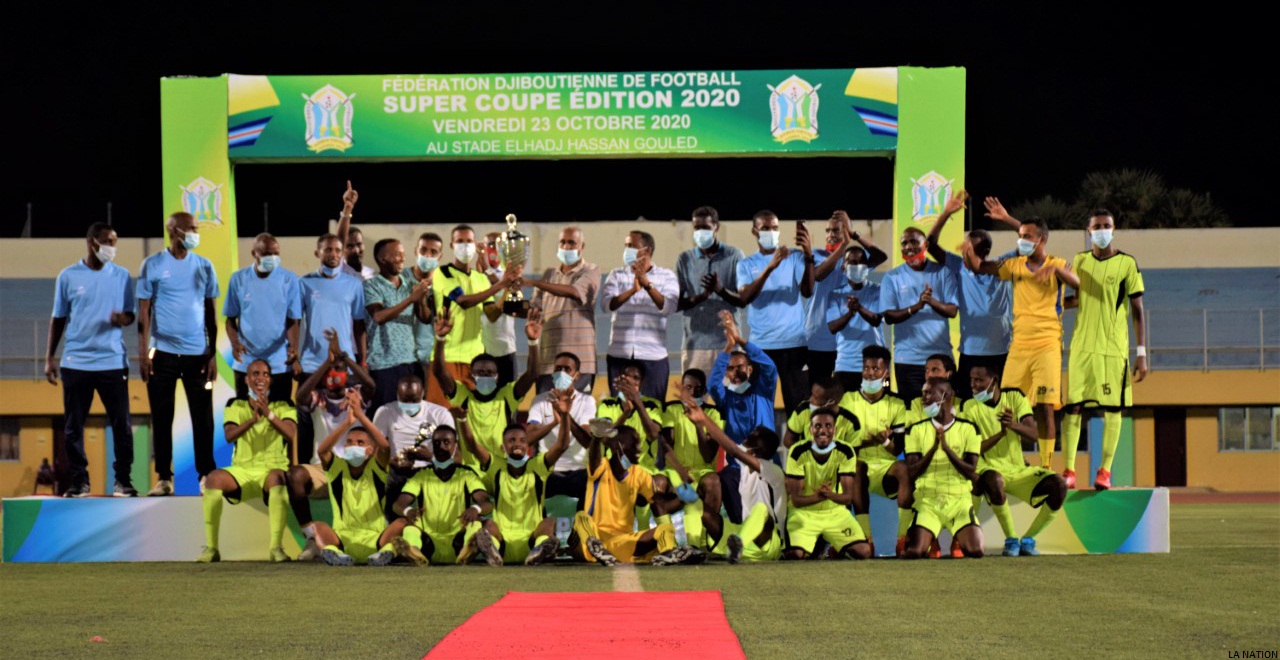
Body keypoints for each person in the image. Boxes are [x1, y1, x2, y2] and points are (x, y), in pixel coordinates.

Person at [962, 216, 1080, 470]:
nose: (1022, 240)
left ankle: (1047, 466)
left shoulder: (1059, 264)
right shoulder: (1014, 265)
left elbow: (1081, 290)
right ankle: (1011, 461)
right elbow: (981, 268)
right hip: (1019, 345)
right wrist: (969, 251)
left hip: (1048, 345)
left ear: (1042, 240)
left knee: (1045, 408)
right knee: (1004, 404)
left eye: (1028, 236)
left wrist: (1058, 274)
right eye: (1021, 235)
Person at [45, 222, 137, 497]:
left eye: (115, 241)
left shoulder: (122, 276)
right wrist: (49, 358)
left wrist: (124, 318)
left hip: (112, 362)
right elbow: (58, 318)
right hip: (76, 362)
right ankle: (79, 481)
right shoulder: (68, 276)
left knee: (122, 425)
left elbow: (130, 314)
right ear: (91, 242)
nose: (113, 247)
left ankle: (123, 480)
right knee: (73, 427)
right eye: (108, 241)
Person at [1061, 208, 1148, 490]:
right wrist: (1053, 304)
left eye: (1106, 225)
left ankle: (1105, 471)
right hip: (1082, 348)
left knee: (1112, 409)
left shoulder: (1127, 264)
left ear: (1114, 228)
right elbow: (1078, 299)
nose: (1101, 230)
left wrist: (1142, 353)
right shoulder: (1079, 261)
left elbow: (1137, 309)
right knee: (1073, 407)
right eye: (1096, 226)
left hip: (1113, 350)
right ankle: (1069, 471)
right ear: (1088, 231)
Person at [138, 211, 220, 495]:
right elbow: (144, 311)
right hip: (162, 353)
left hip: (197, 353)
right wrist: (142, 353)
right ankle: (163, 477)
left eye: (196, 228)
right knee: (162, 416)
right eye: (191, 228)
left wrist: (212, 356)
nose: (196, 233)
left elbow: (211, 312)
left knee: (203, 418)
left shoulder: (205, 266)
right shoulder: (153, 264)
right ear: (174, 231)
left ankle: (206, 475)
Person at [961, 364, 1067, 556]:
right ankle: (1011, 540)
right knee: (995, 479)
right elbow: (973, 450)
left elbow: (1034, 434)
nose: (973, 385)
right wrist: (1001, 434)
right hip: (989, 469)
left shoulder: (1015, 398)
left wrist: (1012, 425)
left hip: (1018, 470)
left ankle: (1028, 540)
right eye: (971, 380)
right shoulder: (969, 407)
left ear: (994, 380)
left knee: (1059, 485)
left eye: (979, 380)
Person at [289, 330, 377, 561]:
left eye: (338, 370)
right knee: (295, 474)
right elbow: (300, 397)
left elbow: (370, 385)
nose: (333, 375)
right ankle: (311, 536)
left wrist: (346, 359)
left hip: (352, 465)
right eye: (330, 371)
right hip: (323, 467)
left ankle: (371, 537)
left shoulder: (355, 394)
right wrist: (325, 364)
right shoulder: (318, 397)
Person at [198, 360, 297, 563]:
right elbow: (229, 435)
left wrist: (268, 414)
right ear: (246, 379)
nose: (260, 378)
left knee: (278, 477)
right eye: (255, 374)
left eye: (265, 374)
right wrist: (253, 419)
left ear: (270, 379)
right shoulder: (235, 404)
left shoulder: (284, 405)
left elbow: (291, 433)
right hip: (242, 470)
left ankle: (276, 548)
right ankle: (211, 548)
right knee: (213, 478)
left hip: (272, 469)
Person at [454, 407, 573, 566]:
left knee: (549, 522)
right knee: (488, 525)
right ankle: (492, 551)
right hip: (502, 541)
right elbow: (472, 446)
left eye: (522, 440)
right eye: (511, 440)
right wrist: (462, 421)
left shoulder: (538, 465)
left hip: (532, 541)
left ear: (528, 447)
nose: (517, 444)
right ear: (503, 447)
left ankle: (540, 548)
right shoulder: (496, 465)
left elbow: (562, 445)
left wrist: (564, 415)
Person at [925, 195, 1017, 397]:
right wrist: (946, 213)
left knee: (998, 407)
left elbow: (1032, 241)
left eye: (968, 249)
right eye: (963, 247)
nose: (963, 252)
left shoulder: (1004, 265)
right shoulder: (959, 267)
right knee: (966, 406)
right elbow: (930, 245)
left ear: (984, 251)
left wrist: (1007, 219)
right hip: (970, 352)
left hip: (1001, 353)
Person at [307, 403, 421, 566]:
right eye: (350, 442)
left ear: (370, 449)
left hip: (376, 539)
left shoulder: (377, 468)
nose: (354, 446)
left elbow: (385, 447)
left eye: (360, 443)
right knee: (317, 526)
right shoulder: (336, 468)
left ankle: (385, 552)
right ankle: (335, 554)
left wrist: (361, 416)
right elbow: (322, 451)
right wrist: (347, 423)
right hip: (342, 539)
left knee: (402, 523)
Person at [571, 425, 703, 566]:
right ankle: (596, 547)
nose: (639, 449)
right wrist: (596, 439)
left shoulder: (639, 474)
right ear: (618, 446)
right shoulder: (601, 466)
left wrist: (683, 499)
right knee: (582, 517)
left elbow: (661, 504)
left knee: (666, 529)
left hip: (621, 541)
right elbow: (594, 457)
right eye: (634, 443)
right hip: (592, 539)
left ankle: (668, 553)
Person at [433, 307, 541, 471]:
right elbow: (440, 372)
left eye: (490, 372)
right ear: (472, 376)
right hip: (472, 469)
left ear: (498, 376)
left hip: (503, 469)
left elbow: (533, 373)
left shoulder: (506, 395)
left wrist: (533, 342)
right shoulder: (463, 395)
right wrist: (440, 339)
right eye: (480, 372)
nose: (485, 375)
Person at [296, 232, 368, 474]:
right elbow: (295, 321)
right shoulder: (304, 283)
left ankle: (349, 466)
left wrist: (362, 359)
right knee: (307, 422)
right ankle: (307, 470)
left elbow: (359, 325)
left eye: (338, 250)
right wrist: (295, 354)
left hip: (344, 364)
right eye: (328, 250)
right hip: (311, 364)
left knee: (349, 416)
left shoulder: (354, 284)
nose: (334, 254)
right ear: (318, 253)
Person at [685, 402, 786, 563]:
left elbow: (733, 450)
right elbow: (727, 443)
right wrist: (700, 421)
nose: (747, 436)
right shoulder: (745, 467)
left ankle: (739, 544)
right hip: (742, 537)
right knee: (694, 504)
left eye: (753, 434)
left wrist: (703, 418)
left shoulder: (773, 472)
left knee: (762, 509)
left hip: (768, 544)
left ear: (754, 451)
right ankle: (693, 550)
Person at [733, 210, 814, 412]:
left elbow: (807, 290)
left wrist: (808, 255)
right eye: (765, 228)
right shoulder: (746, 264)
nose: (771, 232)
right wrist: (770, 267)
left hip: (794, 344)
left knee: (799, 409)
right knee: (759, 409)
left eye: (775, 228)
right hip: (761, 346)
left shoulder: (794, 257)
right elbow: (744, 298)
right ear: (755, 231)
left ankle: (797, 444)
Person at [431, 224, 521, 400]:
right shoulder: (443, 273)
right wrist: (500, 284)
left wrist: (506, 290)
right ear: (451, 245)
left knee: (469, 416)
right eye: (459, 241)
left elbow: (492, 314)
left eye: (469, 241)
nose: (464, 246)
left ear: (475, 244)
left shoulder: (480, 278)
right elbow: (463, 302)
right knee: (443, 416)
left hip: (476, 361)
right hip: (448, 356)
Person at [840, 345, 913, 555]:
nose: (870, 373)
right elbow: (844, 446)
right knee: (857, 465)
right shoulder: (848, 400)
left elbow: (896, 449)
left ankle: (902, 539)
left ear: (886, 373)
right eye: (866, 368)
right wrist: (869, 441)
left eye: (875, 369)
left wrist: (884, 442)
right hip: (856, 468)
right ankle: (866, 538)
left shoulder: (897, 404)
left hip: (884, 470)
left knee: (905, 468)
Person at [902, 378, 984, 559]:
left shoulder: (969, 429)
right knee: (914, 552)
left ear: (945, 396)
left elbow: (970, 471)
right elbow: (912, 472)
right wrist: (933, 449)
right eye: (923, 392)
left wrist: (946, 449)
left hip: (959, 501)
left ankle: (958, 536)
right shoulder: (914, 430)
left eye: (928, 393)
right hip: (927, 501)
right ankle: (930, 537)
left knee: (976, 551)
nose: (923, 397)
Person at [805, 211, 888, 386]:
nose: (831, 235)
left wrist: (855, 235)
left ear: (847, 232)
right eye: (828, 231)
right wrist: (843, 246)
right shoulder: (817, 256)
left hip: (849, 346)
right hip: (820, 340)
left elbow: (881, 257)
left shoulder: (855, 259)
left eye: (836, 231)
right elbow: (818, 275)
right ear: (844, 267)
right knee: (821, 395)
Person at [391, 425, 494, 566]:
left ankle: (467, 550)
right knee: (411, 525)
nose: (441, 446)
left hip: (457, 539)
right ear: (432, 446)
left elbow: (486, 503)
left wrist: (475, 509)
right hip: (428, 541)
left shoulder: (466, 474)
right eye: (437, 443)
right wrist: (409, 511)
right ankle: (414, 551)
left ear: (455, 446)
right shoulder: (421, 474)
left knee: (475, 522)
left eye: (446, 442)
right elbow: (398, 504)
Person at [880, 226, 959, 402]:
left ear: (925, 244)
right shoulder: (892, 277)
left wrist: (931, 302)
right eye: (904, 243)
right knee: (912, 414)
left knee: (943, 411)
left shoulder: (943, 272)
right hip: (908, 359)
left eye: (914, 241)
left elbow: (952, 311)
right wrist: (916, 307)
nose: (909, 246)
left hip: (940, 357)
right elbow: (888, 316)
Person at [783, 408, 871, 560]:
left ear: (835, 429)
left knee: (864, 552)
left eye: (828, 426)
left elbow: (847, 498)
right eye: (817, 426)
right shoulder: (797, 451)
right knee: (795, 555)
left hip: (835, 513)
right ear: (810, 429)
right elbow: (796, 501)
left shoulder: (846, 451)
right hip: (804, 513)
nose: (823, 430)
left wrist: (829, 496)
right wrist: (822, 496)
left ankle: (835, 548)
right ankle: (817, 547)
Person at [601, 230, 679, 400]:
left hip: (653, 356)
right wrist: (632, 291)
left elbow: (669, 308)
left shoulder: (667, 276)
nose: (627, 250)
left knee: (653, 410)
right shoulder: (617, 274)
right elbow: (606, 305)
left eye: (631, 246)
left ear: (647, 250)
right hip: (619, 355)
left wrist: (647, 284)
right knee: (620, 408)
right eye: (625, 246)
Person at [224, 232, 301, 401]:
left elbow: (292, 321)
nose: (272, 258)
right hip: (247, 362)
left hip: (279, 362)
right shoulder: (238, 279)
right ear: (254, 254)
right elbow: (230, 319)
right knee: (246, 414)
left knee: (279, 414)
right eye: (267, 254)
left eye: (276, 254)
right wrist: (235, 343)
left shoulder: (289, 279)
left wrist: (293, 348)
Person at [364, 237, 433, 415]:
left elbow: (425, 318)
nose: (402, 259)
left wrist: (421, 298)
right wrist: (411, 298)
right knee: (385, 416)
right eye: (396, 255)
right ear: (382, 259)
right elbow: (379, 316)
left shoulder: (410, 285)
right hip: (384, 365)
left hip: (411, 362)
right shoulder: (371, 285)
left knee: (413, 416)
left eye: (402, 255)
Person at [527, 226, 600, 394]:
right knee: (546, 411)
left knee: (577, 413)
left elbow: (575, 292)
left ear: (582, 246)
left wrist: (534, 283)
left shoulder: (591, 270)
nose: (566, 247)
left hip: (581, 363)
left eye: (572, 243)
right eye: (563, 242)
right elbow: (533, 309)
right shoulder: (548, 274)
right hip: (548, 361)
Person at [674, 206, 745, 375]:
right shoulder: (685, 259)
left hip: (729, 344)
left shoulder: (734, 255)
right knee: (695, 400)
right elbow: (675, 304)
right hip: (695, 346)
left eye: (705, 227)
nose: (700, 232)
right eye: (696, 228)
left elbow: (743, 300)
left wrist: (720, 290)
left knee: (732, 399)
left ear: (716, 227)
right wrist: (702, 296)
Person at [372, 374, 454, 516]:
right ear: (397, 394)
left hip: (430, 470)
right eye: (405, 400)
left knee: (433, 517)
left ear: (423, 394)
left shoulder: (440, 414)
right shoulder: (385, 412)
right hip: (397, 471)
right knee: (392, 518)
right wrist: (394, 461)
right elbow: (376, 449)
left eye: (414, 400)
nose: (409, 404)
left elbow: (453, 454)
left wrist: (430, 457)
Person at [525, 352, 597, 508]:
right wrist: (552, 423)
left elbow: (587, 441)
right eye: (558, 369)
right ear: (552, 374)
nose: (562, 373)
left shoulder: (587, 401)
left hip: (579, 471)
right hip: (548, 469)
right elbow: (528, 438)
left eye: (567, 369)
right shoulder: (539, 400)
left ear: (577, 376)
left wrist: (565, 415)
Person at [708, 311, 778, 449]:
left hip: (765, 459)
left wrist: (740, 340)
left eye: (740, 367)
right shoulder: (726, 397)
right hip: (737, 461)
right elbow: (713, 385)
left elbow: (769, 367)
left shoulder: (763, 391)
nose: (736, 372)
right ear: (726, 373)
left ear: (749, 369)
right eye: (730, 369)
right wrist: (729, 346)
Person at [825, 244, 885, 392]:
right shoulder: (836, 295)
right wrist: (850, 314)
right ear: (843, 267)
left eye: (860, 262)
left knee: (876, 412)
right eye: (852, 262)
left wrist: (859, 308)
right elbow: (832, 327)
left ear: (866, 266)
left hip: (876, 366)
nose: (857, 266)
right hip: (845, 365)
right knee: (844, 412)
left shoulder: (878, 290)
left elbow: (876, 320)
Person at [596, 362, 665, 470]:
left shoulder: (653, 405)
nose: (631, 382)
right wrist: (625, 413)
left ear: (641, 383)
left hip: (643, 469)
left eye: (636, 378)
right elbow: (606, 439)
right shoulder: (606, 404)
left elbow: (653, 434)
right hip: (613, 468)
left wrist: (636, 400)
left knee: (660, 481)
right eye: (627, 376)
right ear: (620, 379)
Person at [476, 231, 520, 387]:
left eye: (499, 244)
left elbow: (512, 303)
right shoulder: (476, 275)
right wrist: (484, 267)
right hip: (481, 351)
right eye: (490, 244)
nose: (494, 248)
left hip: (506, 348)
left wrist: (487, 268)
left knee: (509, 400)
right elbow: (491, 311)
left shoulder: (510, 275)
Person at [405, 232, 442, 400]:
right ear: (415, 251)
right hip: (402, 357)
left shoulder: (444, 282)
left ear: (440, 256)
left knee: (430, 406)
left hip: (431, 357)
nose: (427, 255)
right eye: (423, 250)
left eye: (433, 252)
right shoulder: (401, 278)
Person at [782, 377, 854, 448]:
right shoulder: (803, 410)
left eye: (816, 398)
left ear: (831, 402)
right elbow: (788, 441)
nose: (811, 399)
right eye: (812, 394)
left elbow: (853, 453)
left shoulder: (851, 422)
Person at [334, 181, 374, 281]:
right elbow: (340, 239)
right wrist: (348, 207)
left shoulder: (372, 274)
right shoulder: (339, 270)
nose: (356, 250)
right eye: (350, 246)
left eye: (359, 244)